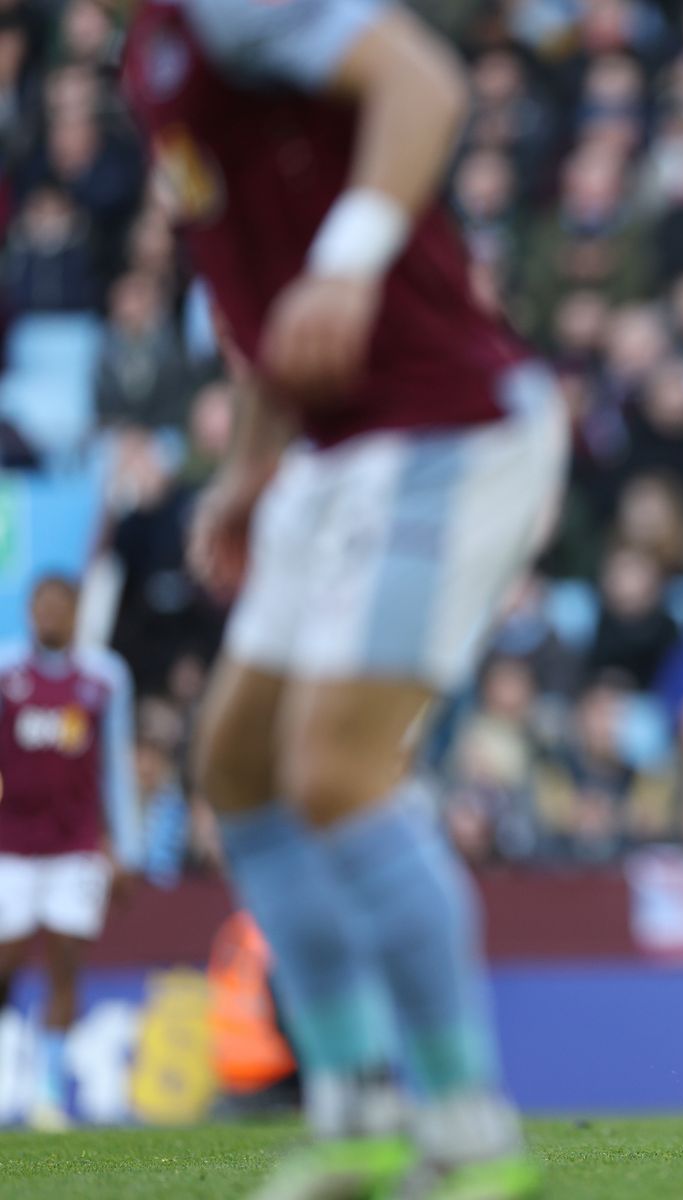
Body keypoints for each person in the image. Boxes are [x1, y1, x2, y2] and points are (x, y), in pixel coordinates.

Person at [120, 2, 568, 1196]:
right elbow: (270, 312)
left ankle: (469, 1129)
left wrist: (354, 254)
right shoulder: (148, 52)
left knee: (336, 771)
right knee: (239, 770)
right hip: (331, 449)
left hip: (449, 425)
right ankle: (358, 1112)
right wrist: (248, 466)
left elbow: (424, 82)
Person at [0, 575, 141, 1131]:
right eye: (43, 605)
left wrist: (126, 848)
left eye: (62, 605)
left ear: (78, 610)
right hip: (10, 844)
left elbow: (116, 767)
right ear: (31, 611)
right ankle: (11, 1071)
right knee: (7, 959)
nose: (51, 615)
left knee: (65, 961)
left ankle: (49, 1092)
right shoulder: (7, 674)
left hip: (76, 845)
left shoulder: (104, 678)